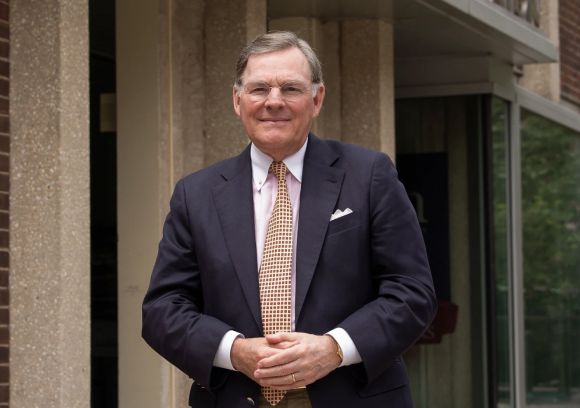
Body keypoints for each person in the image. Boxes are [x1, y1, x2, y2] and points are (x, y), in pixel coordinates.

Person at [142, 31, 437, 408]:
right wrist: (233, 351)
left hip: (352, 395)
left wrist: (334, 348)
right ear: (237, 100)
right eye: (259, 88)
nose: (274, 101)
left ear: (317, 99)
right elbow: (163, 309)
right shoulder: (195, 194)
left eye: (291, 88)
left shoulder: (369, 175)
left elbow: (412, 293)